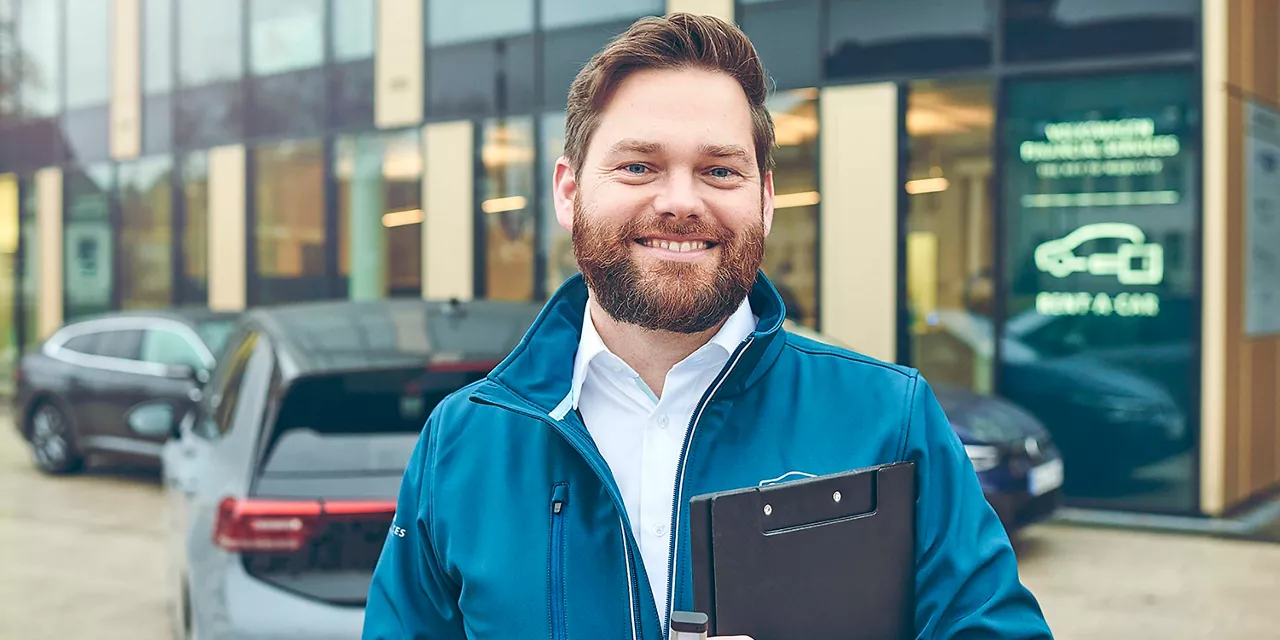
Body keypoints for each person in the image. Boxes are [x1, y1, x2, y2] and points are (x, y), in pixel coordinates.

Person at [363, 12, 1053, 640]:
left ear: (766, 198)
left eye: (720, 169)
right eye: (639, 165)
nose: (681, 201)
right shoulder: (463, 444)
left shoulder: (890, 422)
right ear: (569, 193)